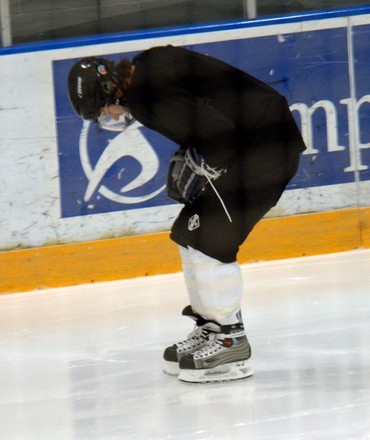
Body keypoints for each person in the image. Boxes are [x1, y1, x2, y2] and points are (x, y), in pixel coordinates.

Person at [68, 45, 306, 383]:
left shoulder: (145, 96)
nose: (113, 116)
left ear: (109, 89)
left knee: (210, 240)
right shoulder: (148, 65)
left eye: (104, 110)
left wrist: (205, 164)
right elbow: (211, 114)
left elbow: (220, 135)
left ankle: (229, 340)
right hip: (260, 140)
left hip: (265, 148)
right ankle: (212, 328)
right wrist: (197, 156)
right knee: (188, 232)